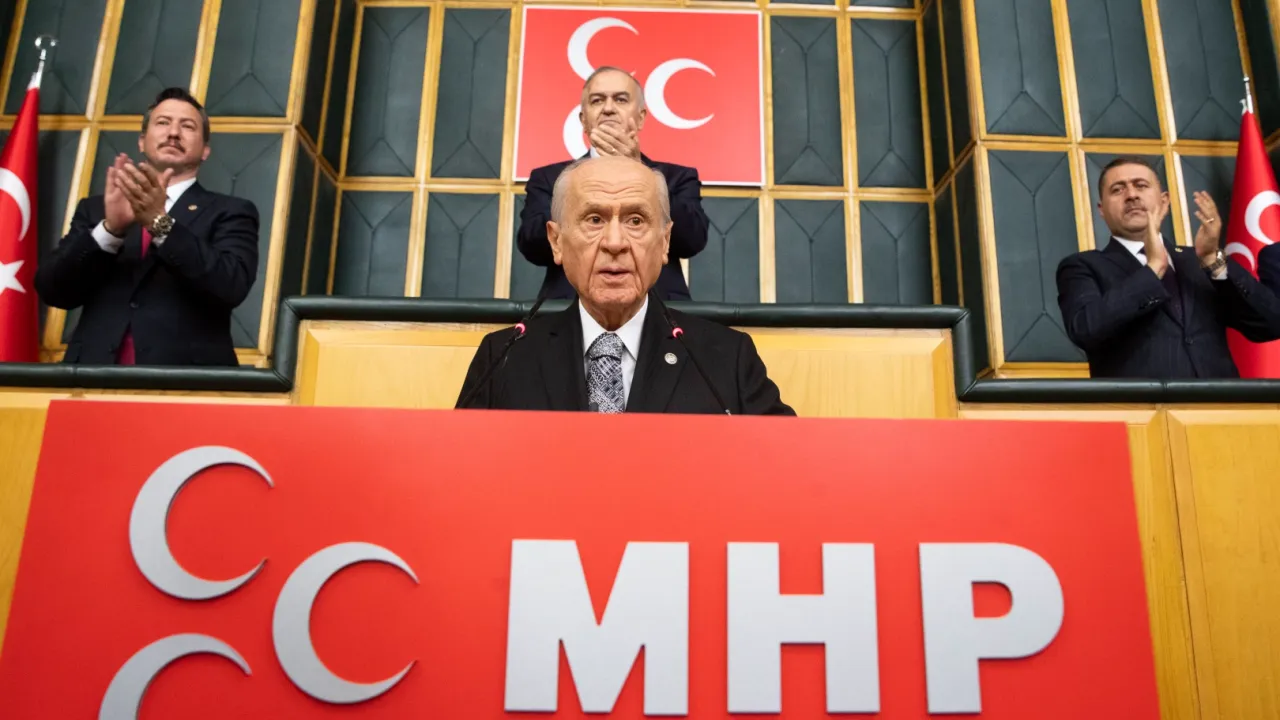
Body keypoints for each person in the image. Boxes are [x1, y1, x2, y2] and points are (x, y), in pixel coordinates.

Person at [459, 156, 793, 415]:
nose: (615, 243)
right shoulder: (503, 357)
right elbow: (459, 467)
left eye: (635, 220)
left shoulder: (727, 358)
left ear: (665, 242)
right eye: (594, 220)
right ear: (556, 242)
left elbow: (784, 463)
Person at [35, 88, 259, 366]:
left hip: (186, 380)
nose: (173, 133)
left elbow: (231, 285)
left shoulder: (231, 211)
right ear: (142, 142)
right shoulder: (96, 209)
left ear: (205, 151)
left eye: (187, 126)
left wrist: (160, 224)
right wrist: (110, 230)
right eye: (163, 123)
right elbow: (53, 289)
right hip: (93, 376)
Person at [1056, 157, 1280, 378]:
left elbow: (1269, 324)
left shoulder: (1201, 260)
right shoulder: (1082, 266)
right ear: (1101, 210)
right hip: (1141, 401)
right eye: (1117, 190)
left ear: (1164, 201)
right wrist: (1153, 269)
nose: (1131, 195)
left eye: (1141, 185)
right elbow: (1085, 329)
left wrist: (1213, 260)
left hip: (1219, 399)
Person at [518, 66, 708, 301]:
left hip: (660, 311)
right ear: (583, 120)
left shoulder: (677, 177)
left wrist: (638, 170)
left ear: (640, 118)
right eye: (597, 100)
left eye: (620, 99)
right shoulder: (549, 178)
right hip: (568, 310)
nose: (608, 108)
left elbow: (692, 240)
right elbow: (532, 246)